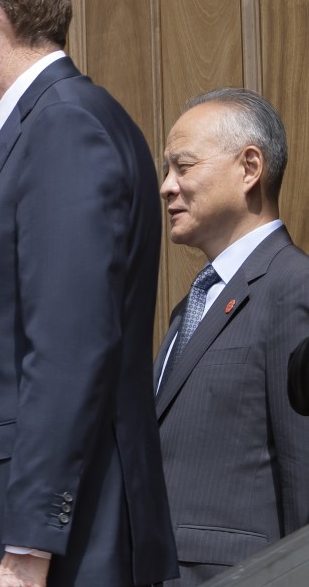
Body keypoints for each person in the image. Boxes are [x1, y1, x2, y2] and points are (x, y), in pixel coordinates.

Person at [0, 0, 177, 587]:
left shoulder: (64, 126)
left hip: (55, 550)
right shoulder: (39, 128)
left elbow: (69, 343)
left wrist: (29, 545)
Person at [155, 88, 309, 586]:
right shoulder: (191, 305)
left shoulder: (293, 287)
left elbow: (302, 475)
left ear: (249, 168)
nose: (166, 187)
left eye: (183, 166)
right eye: (166, 171)